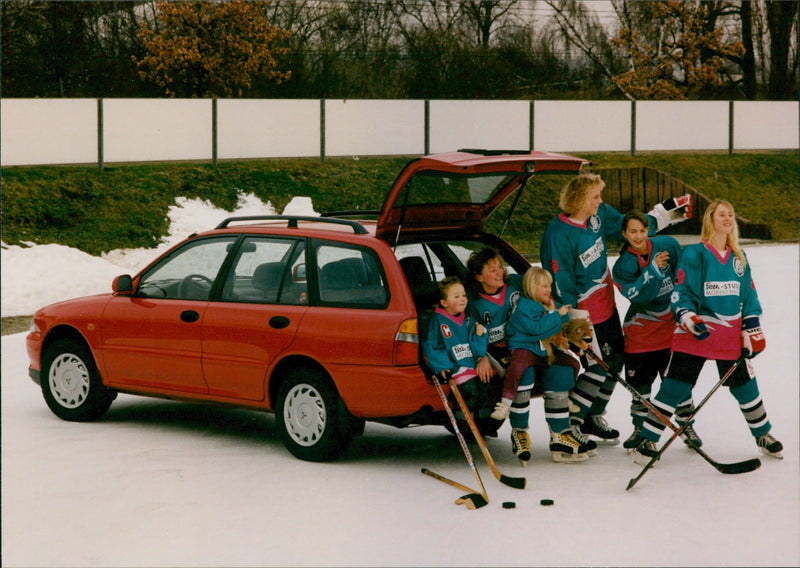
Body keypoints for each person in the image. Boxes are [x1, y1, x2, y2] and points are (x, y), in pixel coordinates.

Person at [539, 172, 692, 448]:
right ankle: (571, 425)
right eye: (596, 196)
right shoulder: (558, 234)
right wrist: (570, 320)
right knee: (598, 368)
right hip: (584, 314)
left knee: (616, 362)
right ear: (580, 199)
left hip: (606, 306)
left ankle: (592, 415)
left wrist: (664, 213)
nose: (600, 200)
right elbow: (560, 281)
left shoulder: (595, 217)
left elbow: (629, 225)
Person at [633, 199, 783, 464]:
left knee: (746, 387)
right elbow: (682, 291)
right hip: (696, 333)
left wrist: (751, 327)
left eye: (731, 214)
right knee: (674, 388)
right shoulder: (695, 254)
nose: (728, 218)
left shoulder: (739, 257)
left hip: (729, 335)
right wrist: (688, 317)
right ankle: (647, 438)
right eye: (722, 214)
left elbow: (748, 295)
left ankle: (763, 434)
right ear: (710, 220)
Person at [611, 210, 701, 451]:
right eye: (632, 232)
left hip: (672, 329)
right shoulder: (622, 267)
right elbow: (640, 296)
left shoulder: (667, 245)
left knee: (678, 382)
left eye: (642, 230)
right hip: (640, 333)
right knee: (640, 386)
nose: (638, 236)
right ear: (624, 233)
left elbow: (684, 277)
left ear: (648, 230)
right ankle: (640, 427)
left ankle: (686, 424)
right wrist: (652, 270)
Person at [503, 266, 593, 463]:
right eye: (543, 286)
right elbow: (539, 329)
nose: (548, 290)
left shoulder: (550, 304)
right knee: (523, 375)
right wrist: (557, 316)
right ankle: (519, 431)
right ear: (531, 287)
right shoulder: (525, 305)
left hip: (546, 354)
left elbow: (561, 328)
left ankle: (560, 433)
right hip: (525, 351)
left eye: (549, 286)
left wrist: (574, 334)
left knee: (562, 371)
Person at [465, 247, 527, 450]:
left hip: (521, 344)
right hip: (494, 351)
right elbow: (470, 334)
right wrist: (480, 357)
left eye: (499, 267)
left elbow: (541, 287)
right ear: (479, 277)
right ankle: (488, 425)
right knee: (496, 378)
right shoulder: (472, 302)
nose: (499, 272)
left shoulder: (517, 283)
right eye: (491, 270)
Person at [423, 276, 492, 429]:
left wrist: (480, 335)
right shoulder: (438, 320)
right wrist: (442, 366)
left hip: (471, 364)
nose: (462, 299)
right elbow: (431, 346)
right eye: (456, 296)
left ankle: (483, 424)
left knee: (484, 387)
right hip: (456, 367)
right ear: (444, 302)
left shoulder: (468, 319)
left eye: (463, 295)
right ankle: (464, 423)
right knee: (469, 392)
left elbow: (477, 348)